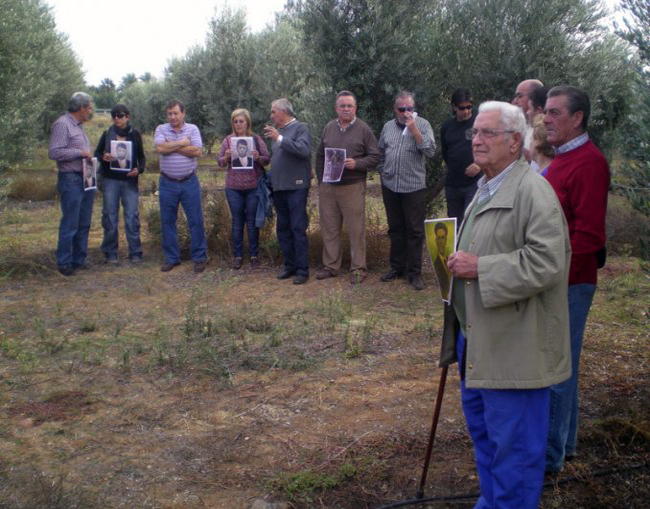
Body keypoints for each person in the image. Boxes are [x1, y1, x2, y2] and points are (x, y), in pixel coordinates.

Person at [440, 101, 571, 509]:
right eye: (474, 133)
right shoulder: (486, 187)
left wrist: (480, 267)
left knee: (516, 453)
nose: (476, 140)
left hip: (516, 350)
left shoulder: (534, 192)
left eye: (487, 133)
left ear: (515, 142)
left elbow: (547, 263)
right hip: (479, 342)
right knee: (487, 441)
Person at [543, 85, 610, 474]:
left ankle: (548, 459)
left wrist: (546, 270)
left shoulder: (589, 163)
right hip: (558, 279)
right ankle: (563, 446)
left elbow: (589, 237)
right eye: (545, 112)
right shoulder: (563, 158)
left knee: (556, 366)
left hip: (569, 282)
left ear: (577, 117)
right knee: (563, 364)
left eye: (554, 112)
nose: (546, 119)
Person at [314, 90, 380, 284]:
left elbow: (375, 156)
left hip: (352, 186)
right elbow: (320, 156)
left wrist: (357, 164)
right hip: (329, 187)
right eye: (342, 105)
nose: (346, 109)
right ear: (336, 108)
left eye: (349, 106)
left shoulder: (364, 129)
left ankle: (358, 269)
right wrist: (321, 181)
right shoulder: (329, 128)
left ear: (355, 108)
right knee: (330, 228)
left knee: (356, 230)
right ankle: (331, 266)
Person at [377, 91, 436, 290]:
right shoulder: (388, 127)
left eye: (409, 108)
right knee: (395, 228)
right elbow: (380, 151)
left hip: (413, 187)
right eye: (402, 109)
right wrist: (382, 171)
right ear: (395, 109)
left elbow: (430, 151)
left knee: (415, 231)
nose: (406, 113)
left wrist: (414, 130)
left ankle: (414, 273)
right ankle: (397, 268)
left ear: (414, 108)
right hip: (391, 185)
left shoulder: (423, 125)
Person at [154, 99, 207, 273]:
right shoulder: (161, 129)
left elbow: (197, 151)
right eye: (170, 113)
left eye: (176, 113)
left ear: (183, 114)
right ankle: (172, 258)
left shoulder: (193, 129)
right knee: (167, 221)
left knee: (195, 220)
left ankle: (199, 257)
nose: (173, 117)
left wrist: (171, 146)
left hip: (189, 182)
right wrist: (183, 143)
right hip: (167, 183)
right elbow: (160, 148)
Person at [263, 98, 312, 285]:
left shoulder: (301, 128)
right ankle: (289, 266)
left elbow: (304, 150)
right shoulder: (279, 132)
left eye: (273, 111)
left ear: (284, 111)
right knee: (283, 228)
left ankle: (302, 270)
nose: (271, 115)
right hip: (279, 187)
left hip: (296, 187)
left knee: (297, 228)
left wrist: (279, 139)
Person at [48, 92, 95, 276]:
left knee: (84, 222)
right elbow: (54, 152)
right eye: (89, 107)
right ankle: (64, 262)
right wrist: (79, 153)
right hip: (71, 179)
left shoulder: (79, 126)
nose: (90, 111)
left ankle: (79, 259)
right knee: (70, 222)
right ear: (81, 108)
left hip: (86, 177)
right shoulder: (62, 124)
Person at [218, 108, 270, 269]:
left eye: (241, 121)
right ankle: (238, 256)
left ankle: (254, 255)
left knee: (252, 222)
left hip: (253, 187)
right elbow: (219, 162)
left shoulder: (255, 139)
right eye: (235, 121)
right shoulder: (228, 140)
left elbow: (267, 159)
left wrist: (258, 157)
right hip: (233, 188)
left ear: (247, 122)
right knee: (237, 221)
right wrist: (226, 157)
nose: (238, 124)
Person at [94, 103, 146, 264]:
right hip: (110, 181)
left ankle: (135, 253)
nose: (117, 118)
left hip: (129, 181)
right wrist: (104, 157)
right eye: (114, 116)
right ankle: (110, 253)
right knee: (110, 217)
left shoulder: (135, 135)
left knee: (132, 217)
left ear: (127, 117)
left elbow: (141, 158)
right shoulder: (107, 133)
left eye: (120, 115)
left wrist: (139, 169)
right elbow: (97, 153)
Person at [440, 88, 481, 222]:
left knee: (470, 222)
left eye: (469, 107)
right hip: (453, 184)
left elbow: (491, 148)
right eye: (462, 108)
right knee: (454, 225)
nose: (466, 111)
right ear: (454, 107)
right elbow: (445, 153)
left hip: (474, 183)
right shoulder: (447, 127)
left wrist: (479, 165)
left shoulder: (479, 123)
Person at [432, 222, 451, 300]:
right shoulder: (436, 264)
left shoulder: (449, 259)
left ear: (446, 239)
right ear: (436, 240)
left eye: (443, 237)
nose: (441, 241)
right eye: (438, 238)